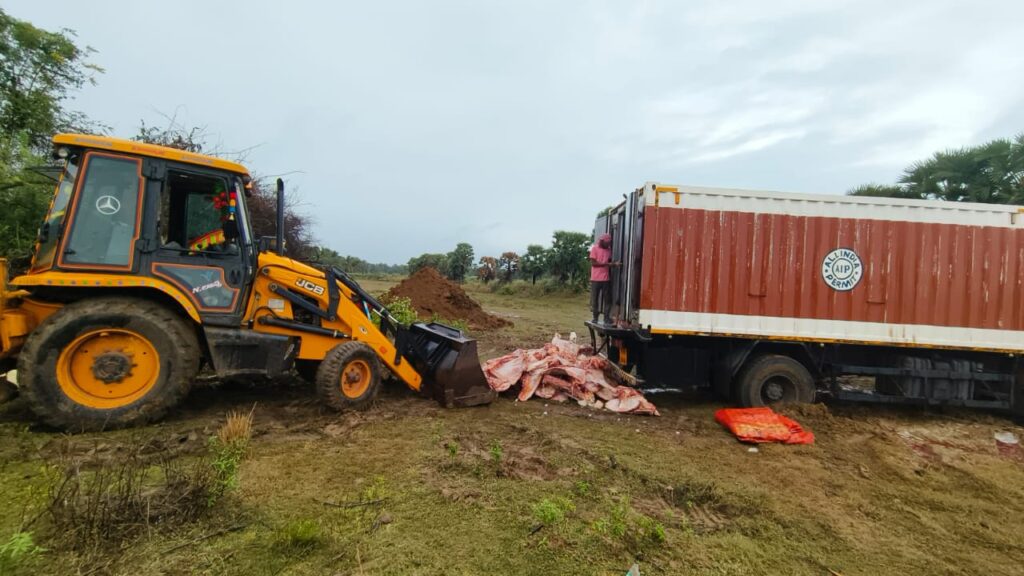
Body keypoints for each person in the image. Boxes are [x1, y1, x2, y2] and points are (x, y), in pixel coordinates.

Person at [589, 232, 617, 322]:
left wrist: (614, 264)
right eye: (607, 242)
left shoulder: (608, 250)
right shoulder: (595, 249)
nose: (608, 244)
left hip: (605, 279)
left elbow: (609, 261)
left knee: (607, 300)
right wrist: (608, 264)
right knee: (595, 299)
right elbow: (594, 263)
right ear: (602, 241)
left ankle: (606, 317)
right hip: (595, 279)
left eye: (609, 243)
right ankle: (595, 317)